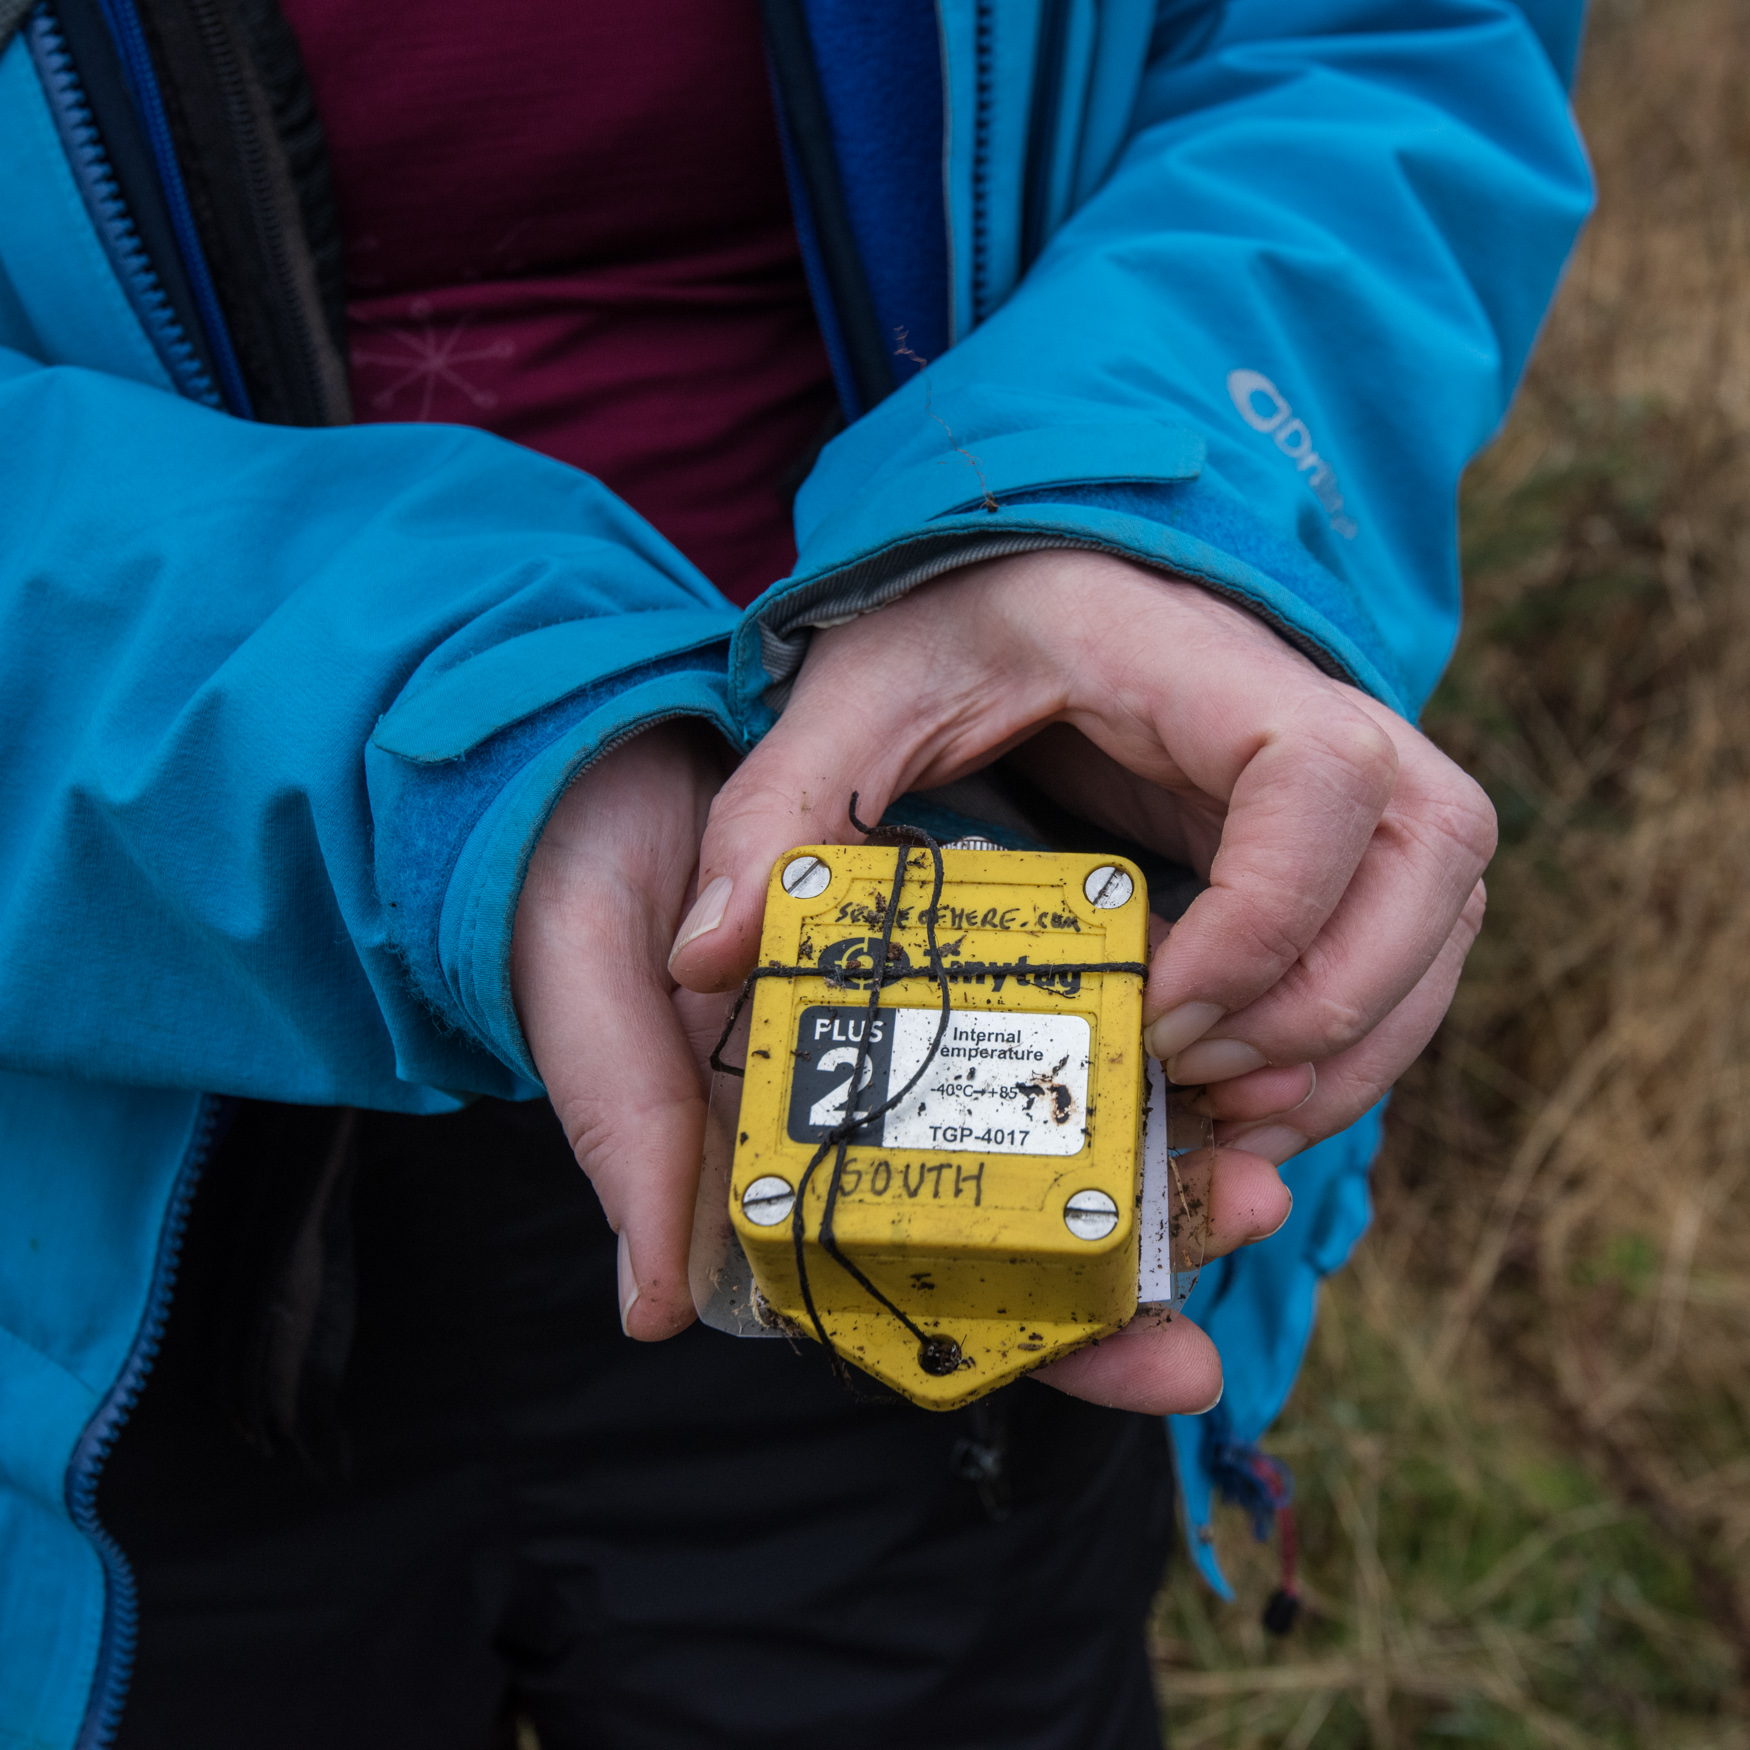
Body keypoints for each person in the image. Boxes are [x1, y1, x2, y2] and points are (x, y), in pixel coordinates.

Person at [0, 1, 1591, 1745]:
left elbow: (1375, 44)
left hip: (910, 999)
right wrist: (447, 736)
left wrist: (1123, 509)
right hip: (74, 1193)